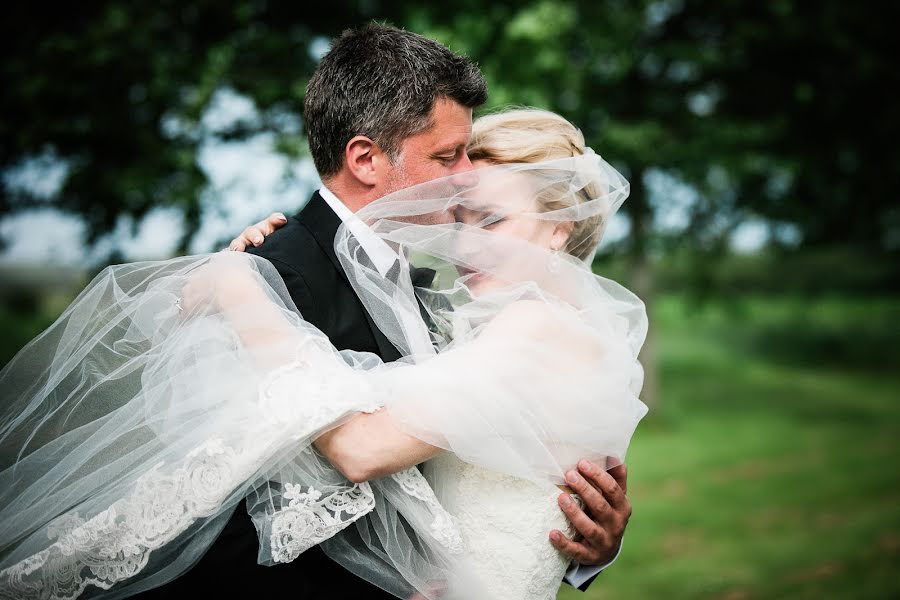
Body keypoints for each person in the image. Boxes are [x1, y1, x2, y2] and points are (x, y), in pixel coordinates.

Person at [0, 27, 640, 600]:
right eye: (449, 158)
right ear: (365, 159)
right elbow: (211, 512)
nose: (464, 183)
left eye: (489, 210)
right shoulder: (275, 274)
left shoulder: (440, 306)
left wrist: (586, 548)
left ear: (562, 229)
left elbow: (427, 470)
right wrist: (240, 285)